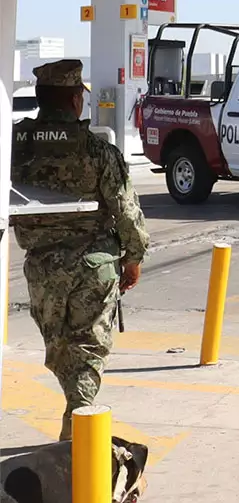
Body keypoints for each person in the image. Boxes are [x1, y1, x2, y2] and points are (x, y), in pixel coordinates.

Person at [8, 60, 149, 441]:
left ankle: (76, 420)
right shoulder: (97, 150)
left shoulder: (13, 146)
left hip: (42, 268)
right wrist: (133, 259)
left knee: (59, 349)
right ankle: (78, 435)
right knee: (87, 353)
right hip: (94, 267)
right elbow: (127, 211)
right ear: (74, 100)